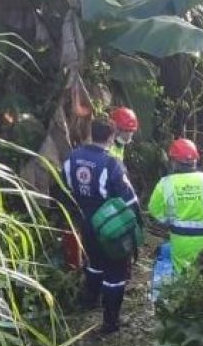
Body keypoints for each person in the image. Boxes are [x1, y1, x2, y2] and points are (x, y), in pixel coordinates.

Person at [59, 117, 142, 334]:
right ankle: (110, 322)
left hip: (85, 221)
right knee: (115, 274)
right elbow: (130, 200)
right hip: (109, 226)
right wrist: (135, 227)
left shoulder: (72, 157)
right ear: (111, 137)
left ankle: (89, 300)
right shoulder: (112, 164)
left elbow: (63, 188)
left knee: (94, 262)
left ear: (90, 133)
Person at [147, 138, 203, 273]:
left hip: (181, 243)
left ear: (174, 162)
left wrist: (167, 220)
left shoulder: (165, 184)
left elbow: (154, 210)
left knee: (183, 278)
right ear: (196, 160)